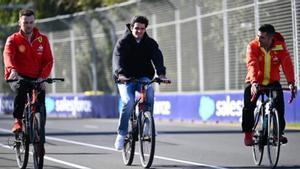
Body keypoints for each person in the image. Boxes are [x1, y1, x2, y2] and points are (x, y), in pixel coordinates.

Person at [112, 15, 169, 150]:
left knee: (150, 91)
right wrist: (120, 74)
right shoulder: (123, 42)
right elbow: (117, 60)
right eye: (136, 28)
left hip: (143, 76)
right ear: (131, 27)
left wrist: (161, 74)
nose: (139, 31)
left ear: (145, 29)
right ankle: (121, 134)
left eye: (142, 29)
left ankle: (148, 125)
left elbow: (157, 58)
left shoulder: (150, 43)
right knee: (129, 101)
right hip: (125, 78)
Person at [242, 24, 297, 146]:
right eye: (258, 36)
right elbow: (252, 65)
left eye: (262, 37)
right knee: (248, 107)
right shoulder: (252, 46)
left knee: (279, 106)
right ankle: (248, 134)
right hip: (254, 81)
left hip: (272, 82)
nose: (258, 40)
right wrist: (254, 83)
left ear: (271, 38)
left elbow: (287, 64)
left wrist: (291, 83)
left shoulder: (280, 46)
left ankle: (278, 133)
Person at [3, 9, 53, 133]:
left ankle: (40, 133)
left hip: (37, 78)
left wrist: (43, 76)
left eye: (31, 22)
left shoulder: (43, 40)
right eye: (25, 22)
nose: (28, 25)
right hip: (18, 76)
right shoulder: (13, 39)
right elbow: (8, 55)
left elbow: (48, 60)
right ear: (19, 22)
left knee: (41, 98)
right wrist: (12, 70)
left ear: (34, 23)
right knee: (21, 88)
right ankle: (18, 121)